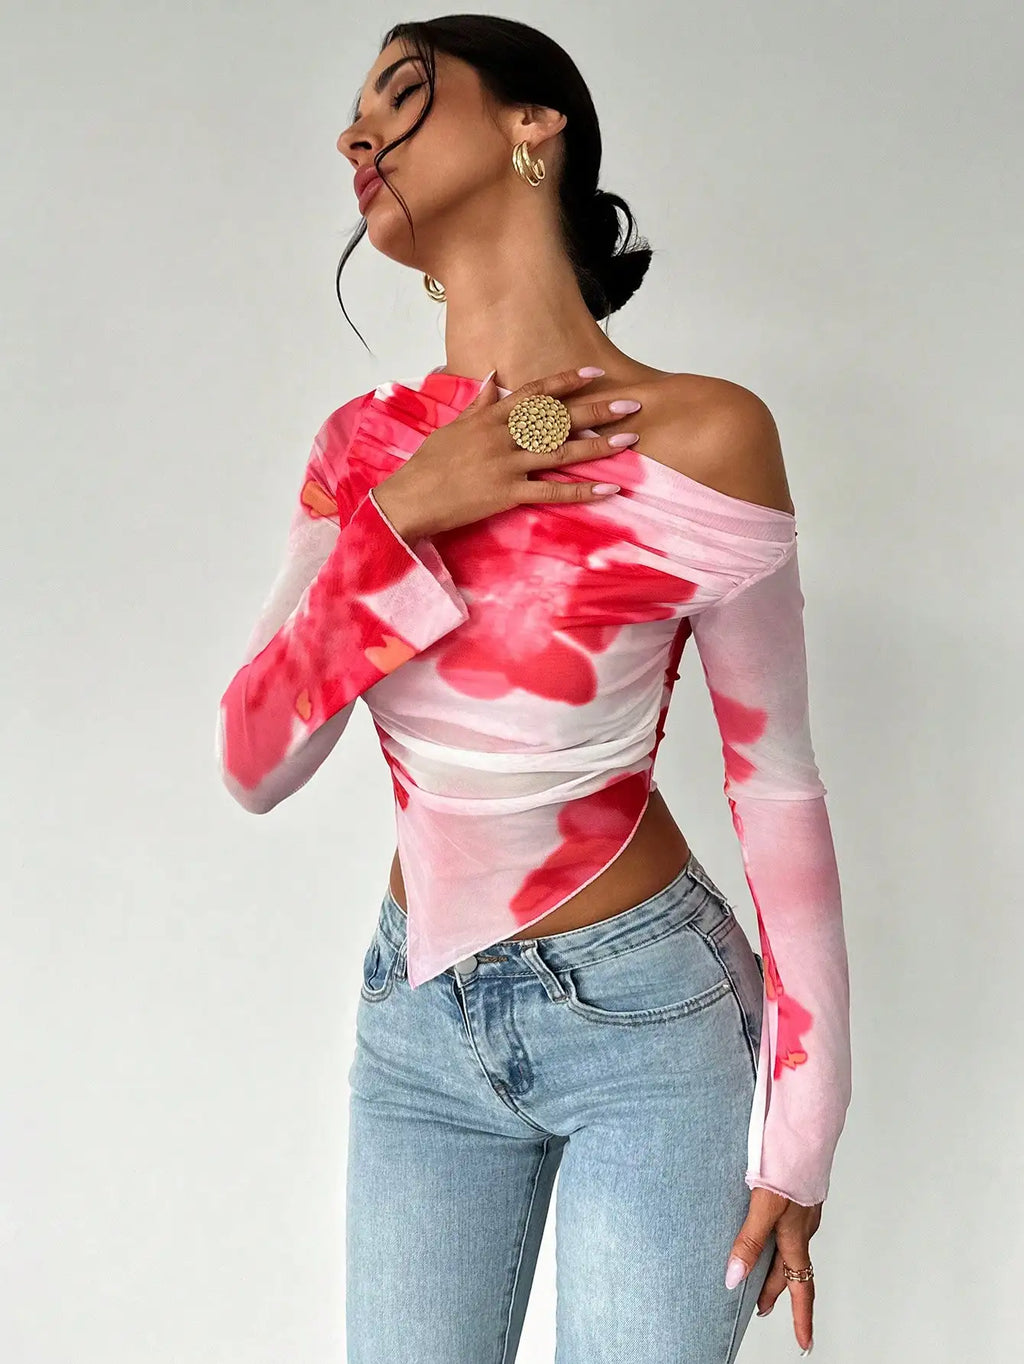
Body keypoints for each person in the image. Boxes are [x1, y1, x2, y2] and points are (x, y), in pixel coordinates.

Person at [216, 15, 851, 1362]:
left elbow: (776, 783)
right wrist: (403, 513)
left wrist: (805, 1127)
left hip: (651, 1024)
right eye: (355, 110)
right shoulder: (366, 453)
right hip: (415, 1022)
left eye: (401, 89)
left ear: (532, 125)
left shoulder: (705, 433)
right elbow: (256, 759)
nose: (355, 130)